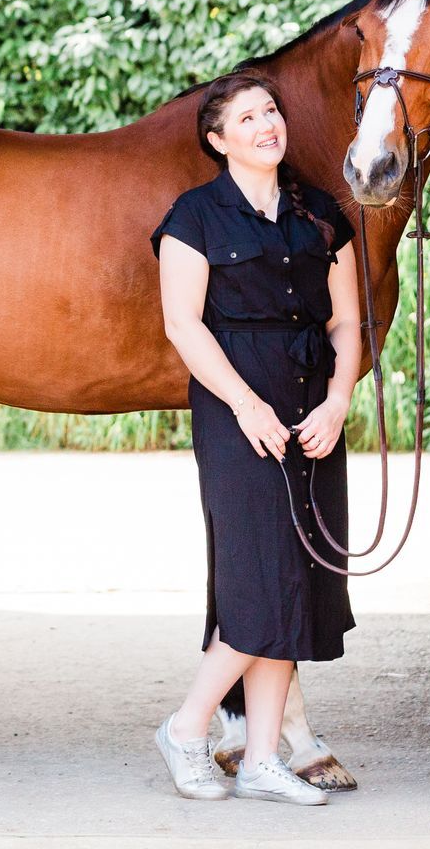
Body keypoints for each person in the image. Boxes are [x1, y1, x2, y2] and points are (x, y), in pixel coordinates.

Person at [149, 69, 362, 805]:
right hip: (238, 407)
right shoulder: (194, 217)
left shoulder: (323, 214)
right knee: (256, 585)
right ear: (218, 141)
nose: (267, 125)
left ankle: (266, 757)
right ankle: (187, 726)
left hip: (312, 407)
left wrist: (339, 399)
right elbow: (184, 325)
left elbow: (346, 322)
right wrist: (245, 406)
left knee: (297, 582)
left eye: (270, 111)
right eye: (246, 119)